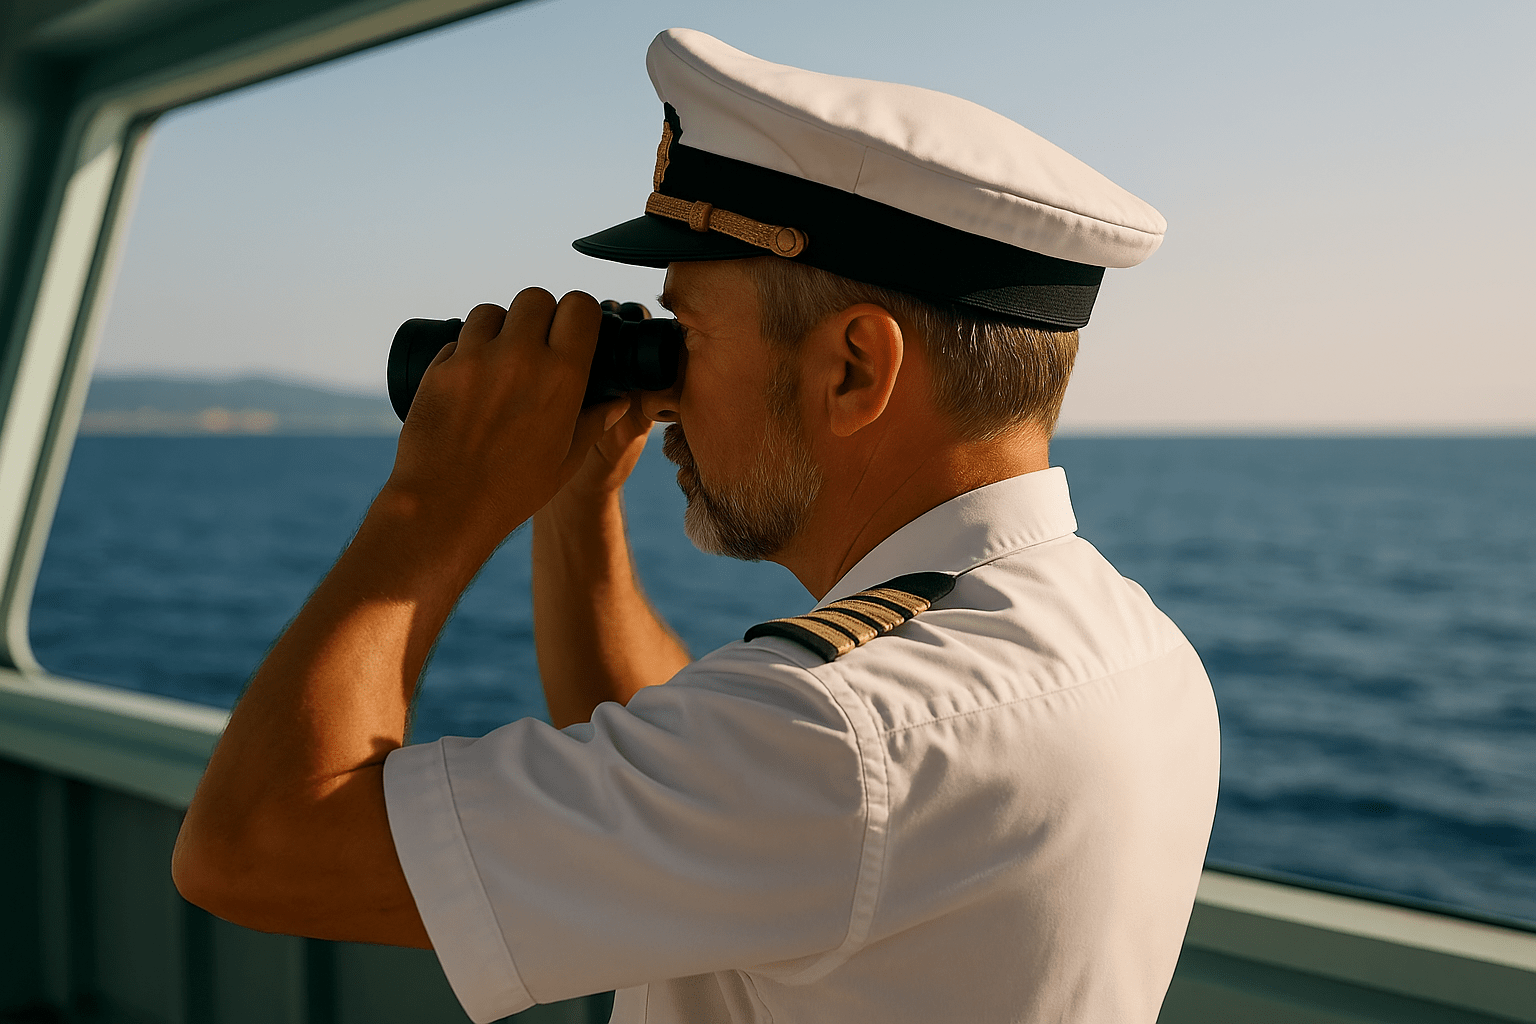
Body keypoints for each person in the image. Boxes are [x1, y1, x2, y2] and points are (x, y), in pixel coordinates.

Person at [173, 28, 1220, 1024]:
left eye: (693, 331)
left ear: (852, 366)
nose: (669, 385)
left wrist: (436, 499)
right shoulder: (1132, 645)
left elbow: (256, 850)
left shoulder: (845, 742)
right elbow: (689, 797)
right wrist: (577, 501)